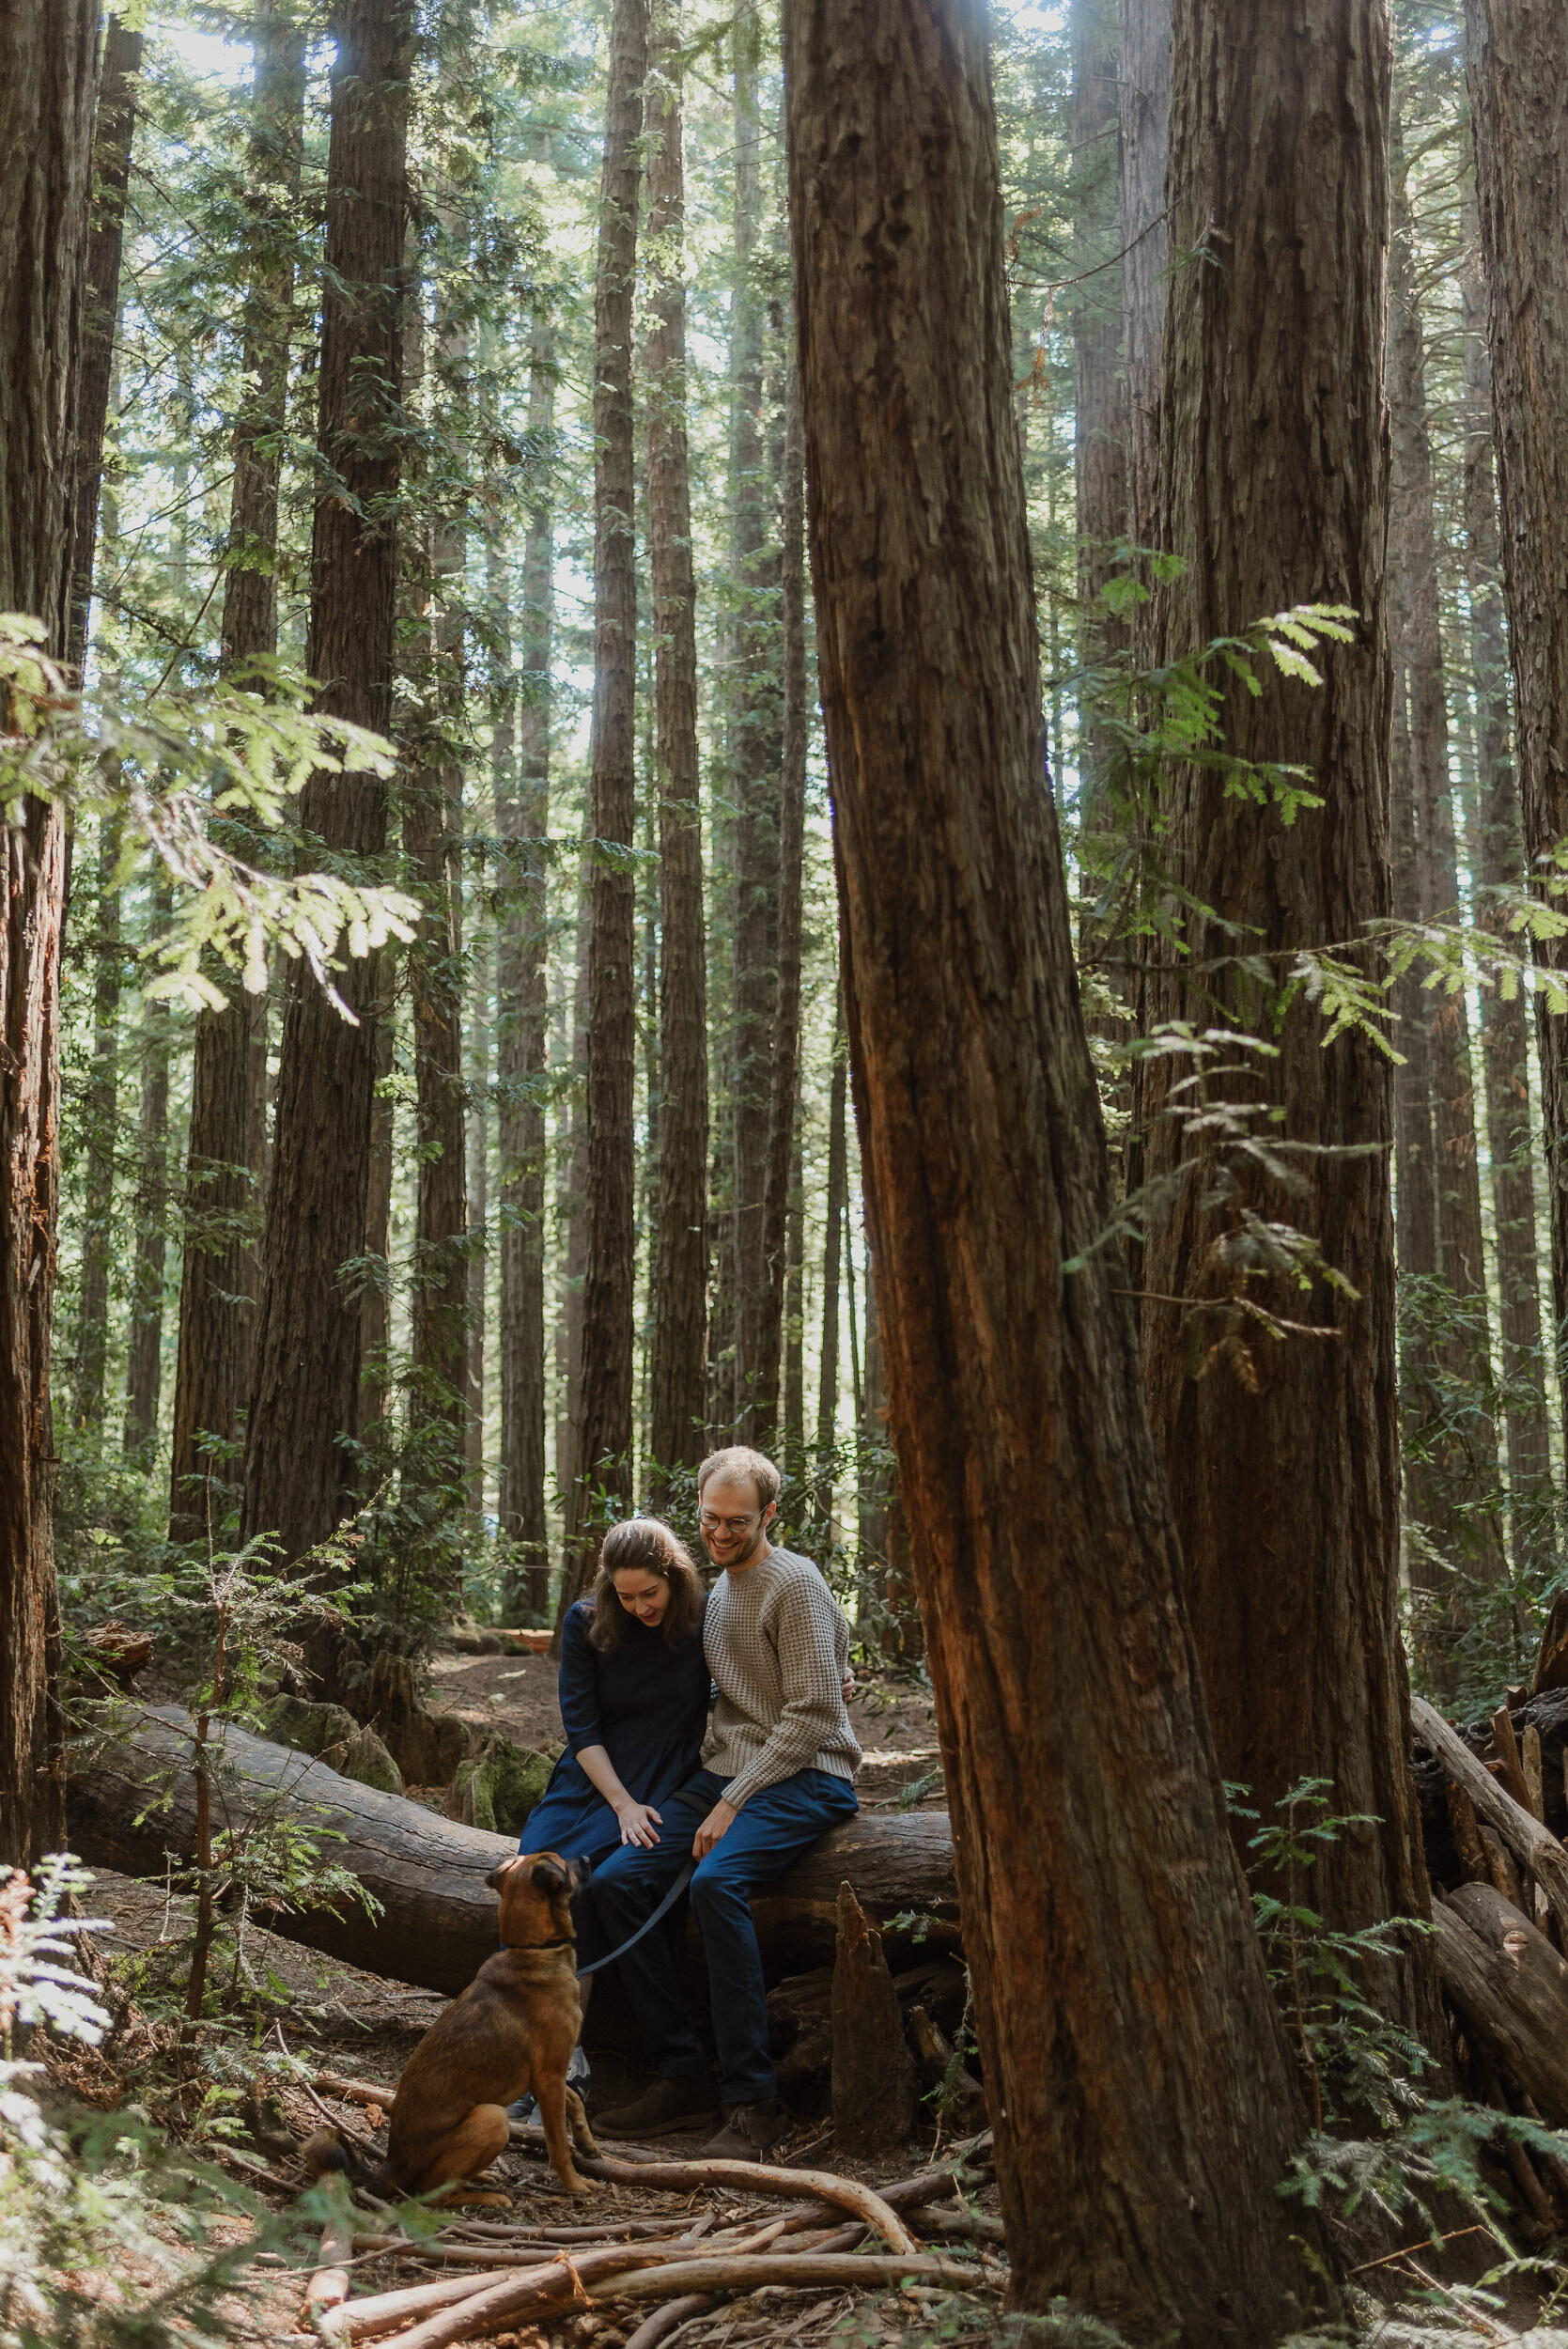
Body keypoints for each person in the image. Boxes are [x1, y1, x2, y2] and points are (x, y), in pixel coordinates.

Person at [591, 1445, 862, 2161]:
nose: (719, 1534)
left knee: (716, 1884)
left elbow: (809, 1718)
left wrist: (732, 1801)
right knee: (619, 1880)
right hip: (729, 1769)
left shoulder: (792, 1582)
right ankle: (682, 2075)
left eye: (737, 1522)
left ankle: (752, 2103)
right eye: (710, 1519)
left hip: (808, 1774)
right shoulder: (718, 1590)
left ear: (769, 1514)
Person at [509, 1517, 709, 2110]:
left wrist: (838, 1676)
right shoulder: (585, 1622)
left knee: (592, 1879)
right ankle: (559, 2062)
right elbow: (582, 1725)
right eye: (626, 1595)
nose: (640, 1606)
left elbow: (758, 1668)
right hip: (594, 1775)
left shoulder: (705, 1619)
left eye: (650, 1593)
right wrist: (620, 1804)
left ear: (673, 1578)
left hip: (669, 1769)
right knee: (539, 1875)